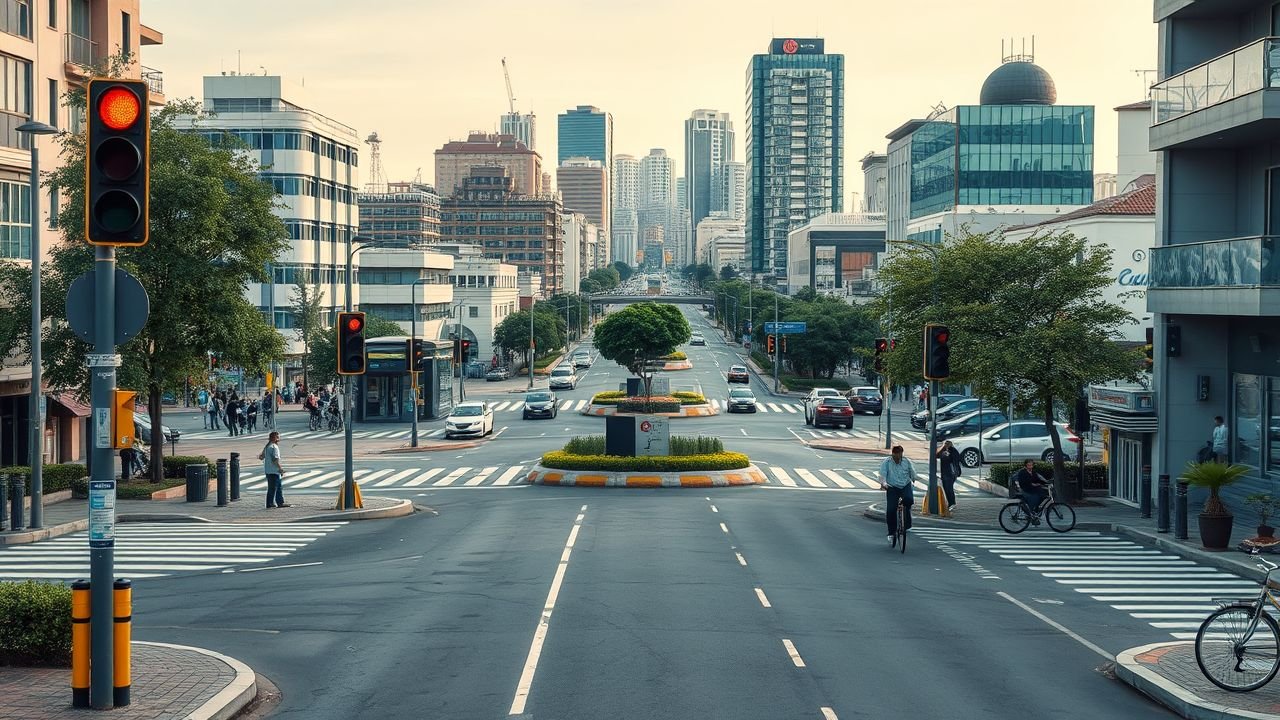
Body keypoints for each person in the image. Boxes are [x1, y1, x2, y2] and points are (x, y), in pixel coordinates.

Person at [878, 445, 917, 545]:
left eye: (899, 456)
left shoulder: (906, 461)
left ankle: (906, 522)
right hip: (892, 486)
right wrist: (884, 484)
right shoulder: (887, 462)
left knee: (909, 500)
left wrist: (913, 480)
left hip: (905, 485)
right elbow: (882, 475)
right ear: (892, 454)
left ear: (901, 454)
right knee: (891, 509)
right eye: (895, 456)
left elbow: (912, 472)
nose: (897, 458)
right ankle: (891, 533)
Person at [258, 431, 289, 509]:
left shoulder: (267, 446)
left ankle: (279, 502)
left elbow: (261, 457)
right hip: (274, 471)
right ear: (275, 438)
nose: (279, 438)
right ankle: (270, 503)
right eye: (278, 436)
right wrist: (280, 469)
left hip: (268, 470)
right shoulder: (274, 447)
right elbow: (275, 460)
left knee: (276, 487)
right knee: (274, 488)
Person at [937, 440, 962, 512]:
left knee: (949, 488)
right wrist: (942, 448)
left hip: (951, 473)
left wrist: (948, 454)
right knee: (946, 488)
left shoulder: (953, 451)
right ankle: (950, 503)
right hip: (944, 472)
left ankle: (952, 503)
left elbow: (956, 460)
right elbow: (937, 455)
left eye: (948, 444)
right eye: (945, 444)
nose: (946, 445)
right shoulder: (943, 450)